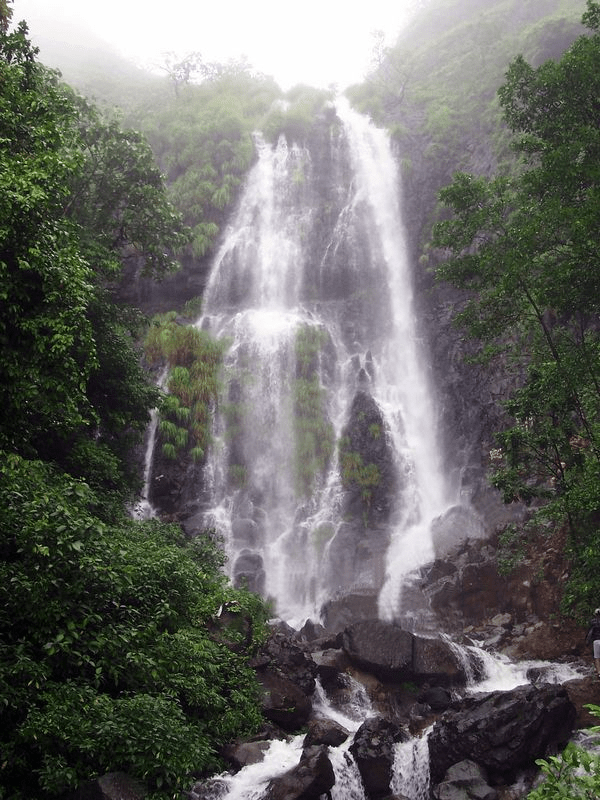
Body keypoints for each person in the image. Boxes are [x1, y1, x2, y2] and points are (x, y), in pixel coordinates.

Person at [585, 608, 600, 678]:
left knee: (597, 657)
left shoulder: (592, 622)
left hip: (596, 641)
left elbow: (590, 632)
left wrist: (587, 641)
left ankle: (599, 672)